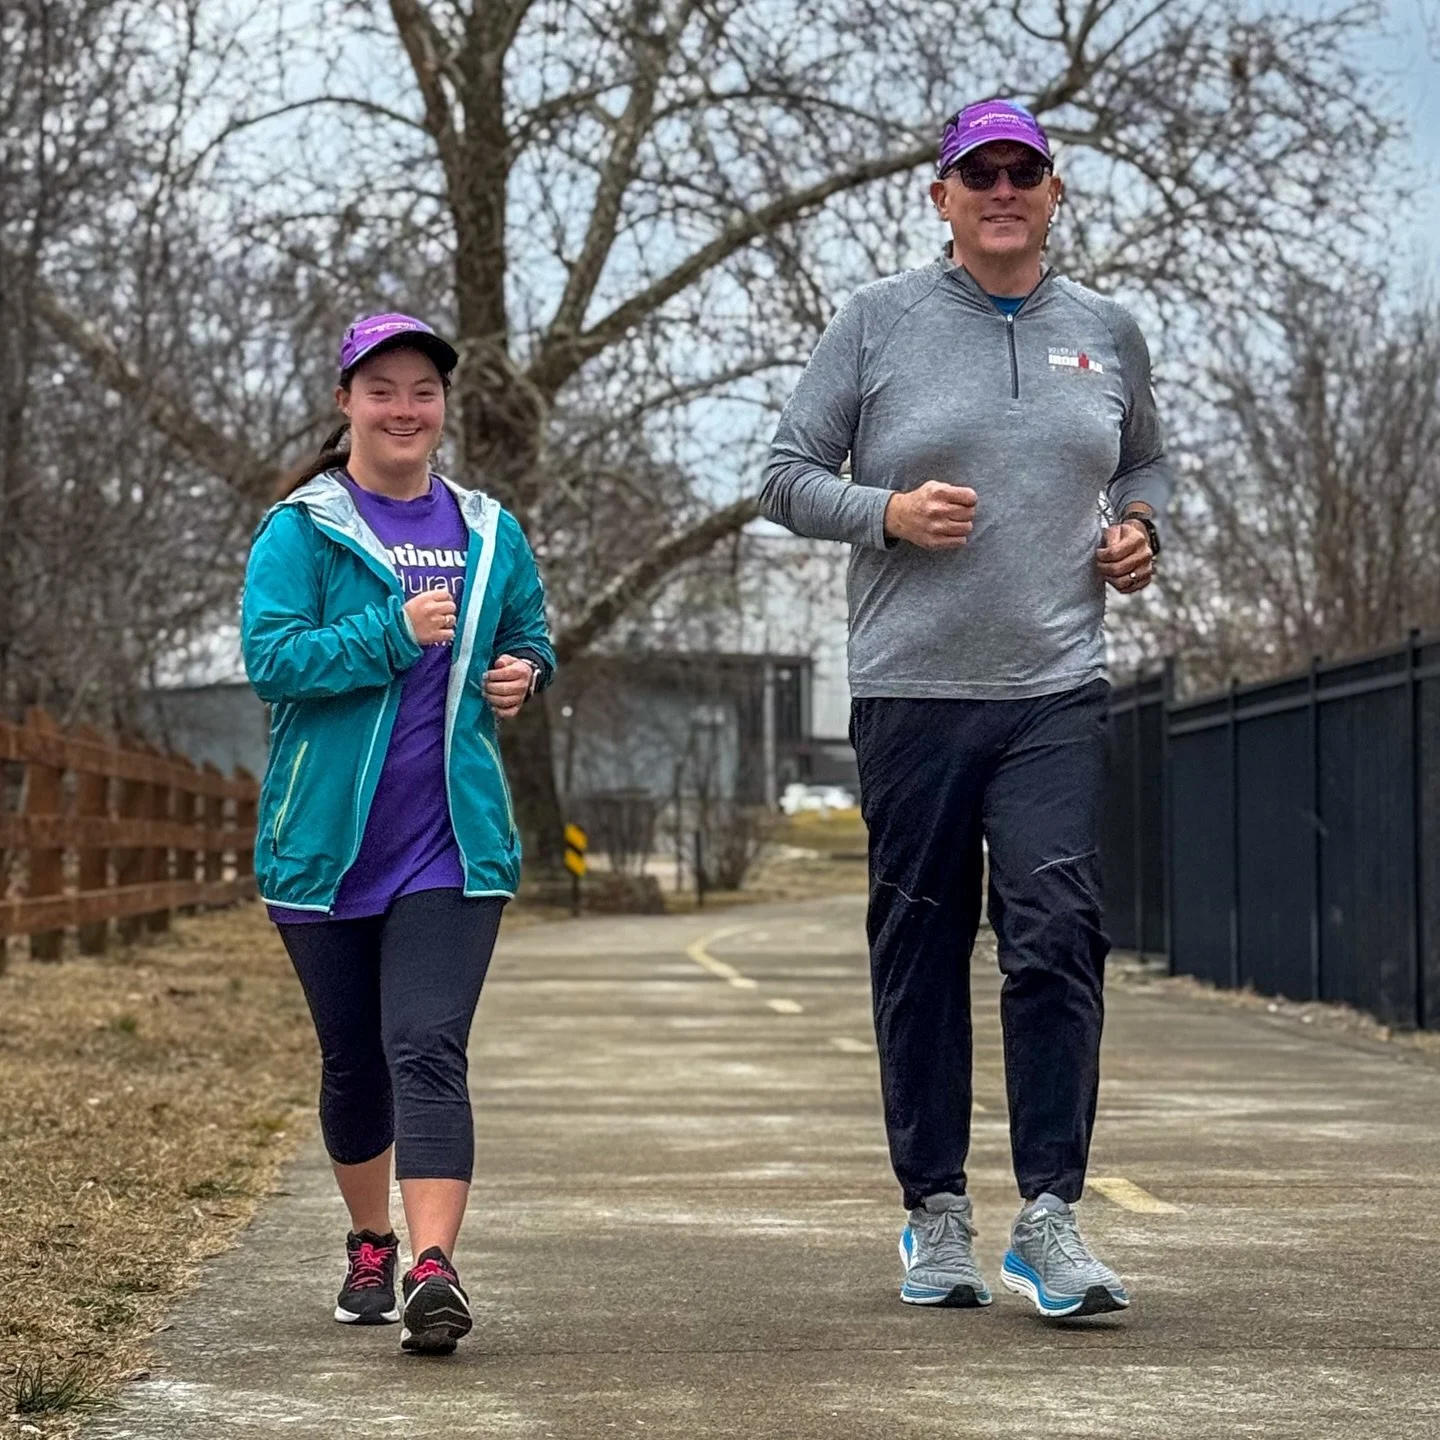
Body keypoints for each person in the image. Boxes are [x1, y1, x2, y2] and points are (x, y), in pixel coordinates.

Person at [760, 100, 1167, 1319]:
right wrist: (884, 512)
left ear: (1053, 193)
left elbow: (1142, 461)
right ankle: (935, 1211)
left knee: (1056, 929)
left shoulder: (1108, 331)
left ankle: (1050, 1217)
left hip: (1053, 686)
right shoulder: (877, 323)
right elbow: (784, 477)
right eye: (976, 173)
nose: (1001, 189)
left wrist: (1142, 534)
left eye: (1021, 172)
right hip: (912, 693)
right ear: (941, 197)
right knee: (924, 951)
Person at [241, 313, 555, 1354]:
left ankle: (433, 1268)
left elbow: (527, 633)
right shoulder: (302, 531)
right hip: (323, 851)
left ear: (442, 408)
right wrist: (390, 630)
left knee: (427, 1045)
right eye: (383, 390)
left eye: (423, 390)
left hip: (452, 846)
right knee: (354, 1062)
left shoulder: (490, 532)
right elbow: (273, 660)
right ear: (347, 404)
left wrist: (524, 674)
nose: (405, 409)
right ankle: (369, 1237)